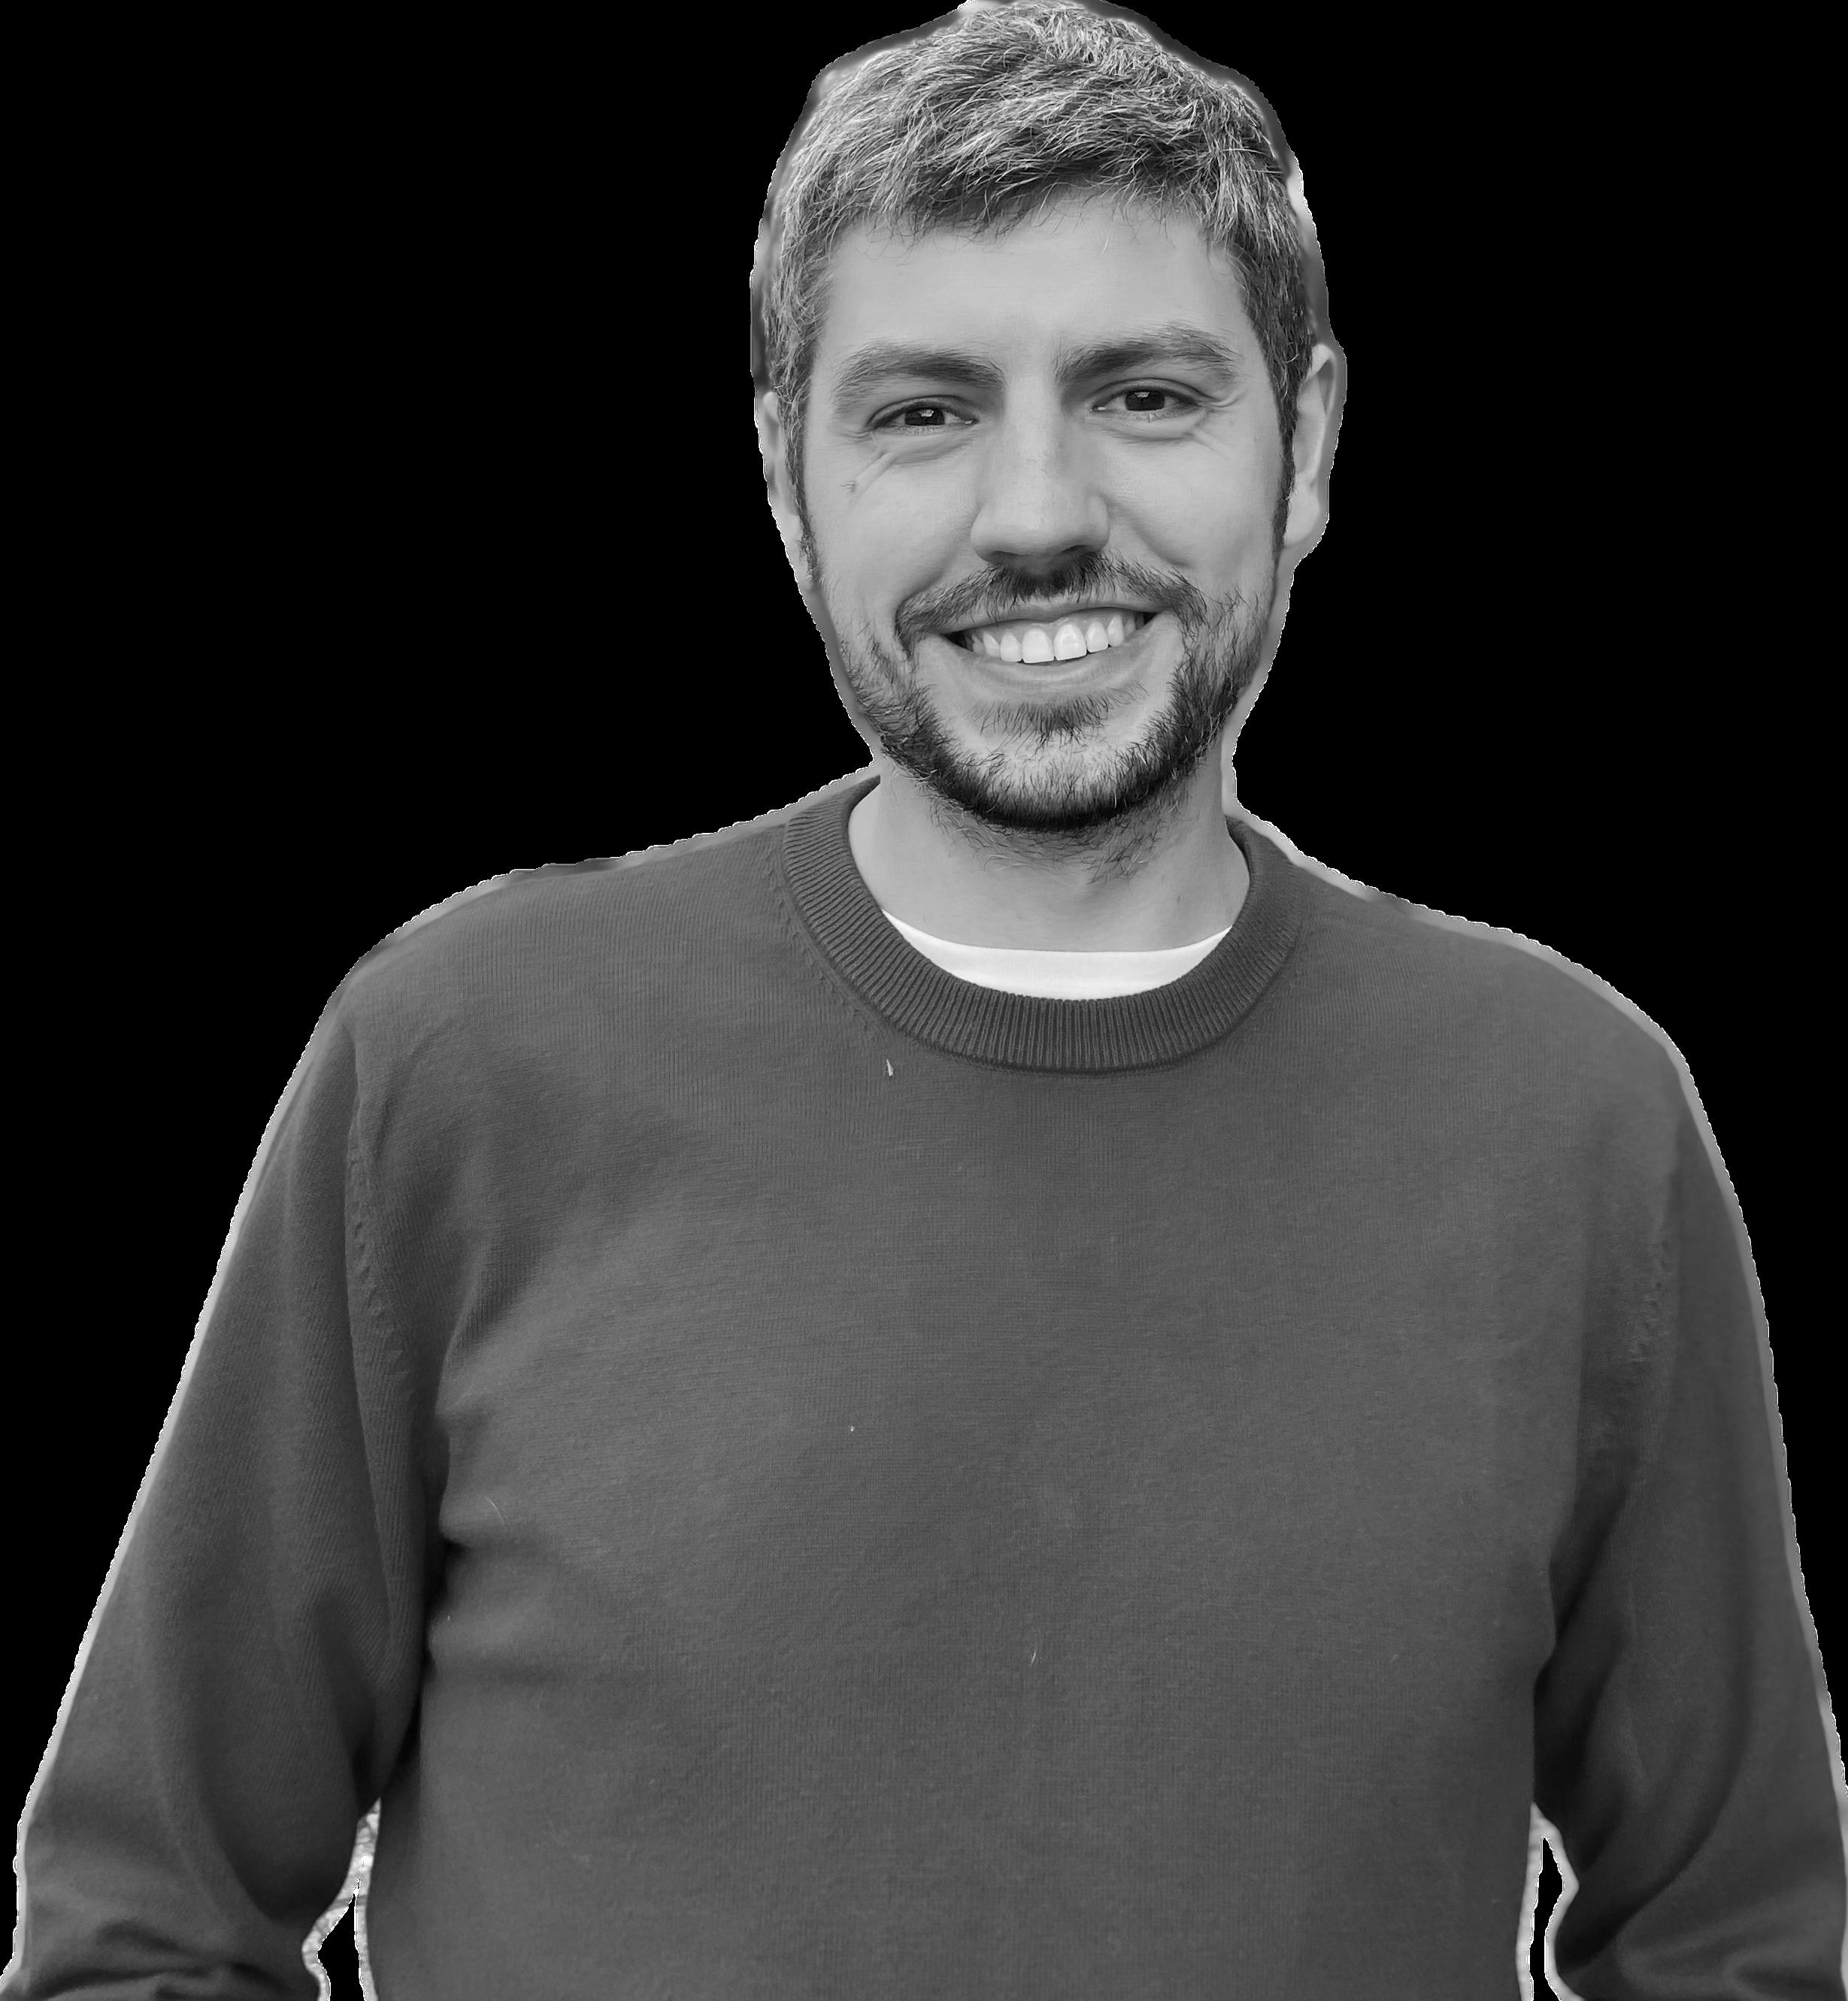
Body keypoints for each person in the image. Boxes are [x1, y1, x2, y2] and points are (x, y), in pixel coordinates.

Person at [8, 4, 1844, 1996]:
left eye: (1146, 394)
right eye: (922, 411)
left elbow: (1731, 1939)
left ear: (1308, 442)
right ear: (784, 474)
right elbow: (148, 1915)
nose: (1036, 512)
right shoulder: (465, 1061)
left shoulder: (1566, 1120)